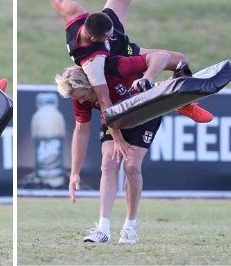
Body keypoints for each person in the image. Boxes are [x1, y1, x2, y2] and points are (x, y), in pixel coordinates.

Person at [22, 0, 212, 161]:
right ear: (95, 39)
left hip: (114, 35)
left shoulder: (74, 13)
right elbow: (105, 103)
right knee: (181, 61)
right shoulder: (93, 63)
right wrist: (118, 137)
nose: (110, 36)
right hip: (121, 55)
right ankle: (184, 104)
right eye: (107, 36)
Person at [55, 51, 171, 244]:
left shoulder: (116, 70)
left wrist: (149, 78)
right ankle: (103, 229)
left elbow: (162, 56)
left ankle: (130, 226)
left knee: (131, 167)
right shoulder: (80, 99)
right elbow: (81, 131)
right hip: (113, 122)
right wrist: (74, 173)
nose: (82, 102)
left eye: (82, 96)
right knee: (108, 163)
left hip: (144, 116)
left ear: (89, 84)